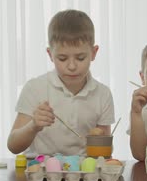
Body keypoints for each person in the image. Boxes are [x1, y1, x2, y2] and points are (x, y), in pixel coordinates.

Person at [7, 9, 115, 157]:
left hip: (83, 174)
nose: (71, 66)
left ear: (94, 53)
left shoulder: (103, 94)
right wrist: (33, 126)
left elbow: (104, 151)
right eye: (62, 58)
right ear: (50, 54)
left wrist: (99, 140)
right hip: (41, 173)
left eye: (80, 58)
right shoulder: (35, 88)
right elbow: (13, 146)